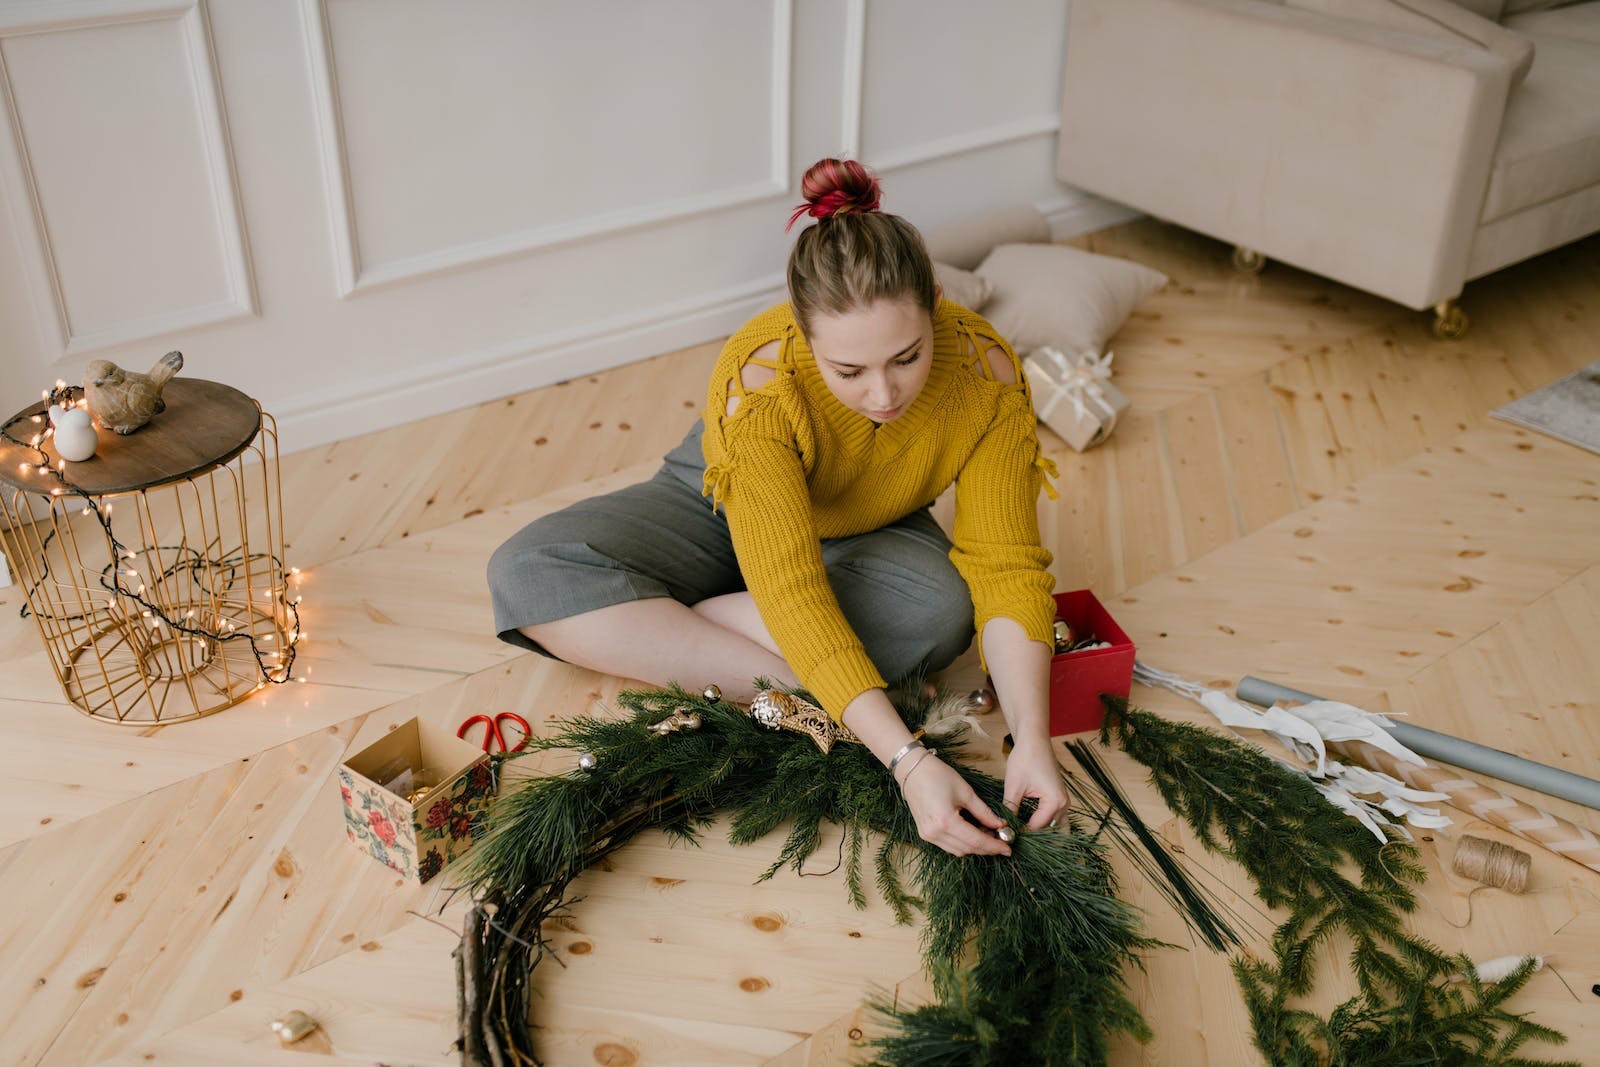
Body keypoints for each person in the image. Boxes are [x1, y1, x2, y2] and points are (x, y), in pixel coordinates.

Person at [488, 158, 1066, 857]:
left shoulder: (987, 375)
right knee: (527, 569)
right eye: (848, 371)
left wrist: (1033, 739)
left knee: (946, 612)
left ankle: (689, 627)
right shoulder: (759, 374)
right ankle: (800, 676)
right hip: (719, 502)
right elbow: (791, 589)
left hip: (866, 528)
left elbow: (1005, 564)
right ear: (803, 334)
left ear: (937, 302)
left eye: (907, 357)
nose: (883, 395)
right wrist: (904, 755)